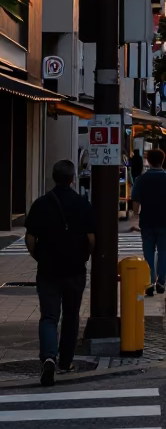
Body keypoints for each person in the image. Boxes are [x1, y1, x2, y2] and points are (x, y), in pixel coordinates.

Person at [24, 159, 95, 388]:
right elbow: (91, 238)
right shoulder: (82, 203)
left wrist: (38, 257)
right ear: (73, 178)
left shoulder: (41, 204)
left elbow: (30, 238)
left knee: (49, 316)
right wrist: (84, 256)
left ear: (53, 177)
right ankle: (65, 361)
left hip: (48, 269)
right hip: (74, 268)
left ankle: (48, 358)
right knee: (71, 315)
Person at [129, 147, 166, 297]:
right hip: (165, 219)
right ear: (162, 160)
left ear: (148, 161)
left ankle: (150, 282)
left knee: (148, 252)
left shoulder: (141, 179)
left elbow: (136, 202)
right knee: (163, 250)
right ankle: (161, 282)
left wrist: (135, 215)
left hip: (147, 219)